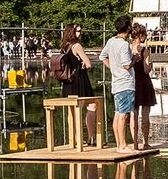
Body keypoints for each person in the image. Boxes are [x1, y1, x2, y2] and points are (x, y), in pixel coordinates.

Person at [56, 25, 100, 139]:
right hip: (79, 80)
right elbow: (88, 64)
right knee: (92, 106)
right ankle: (91, 137)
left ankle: (75, 139)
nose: (80, 33)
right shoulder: (77, 46)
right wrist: (85, 63)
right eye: (78, 31)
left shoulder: (64, 47)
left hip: (67, 82)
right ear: (72, 32)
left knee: (72, 110)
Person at [100, 14, 136, 152]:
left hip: (116, 83)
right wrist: (135, 59)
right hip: (125, 83)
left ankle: (118, 144)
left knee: (117, 113)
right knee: (124, 114)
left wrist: (113, 69)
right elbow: (127, 65)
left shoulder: (111, 41)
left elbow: (102, 56)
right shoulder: (124, 44)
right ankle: (122, 145)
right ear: (127, 28)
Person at [127, 22, 156, 149]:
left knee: (133, 114)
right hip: (144, 83)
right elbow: (146, 70)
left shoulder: (127, 49)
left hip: (131, 83)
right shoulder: (144, 50)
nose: (146, 36)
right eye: (144, 34)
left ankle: (134, 143)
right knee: (145, 113)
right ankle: (145, 142)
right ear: (140, 35)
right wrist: (151, 64)